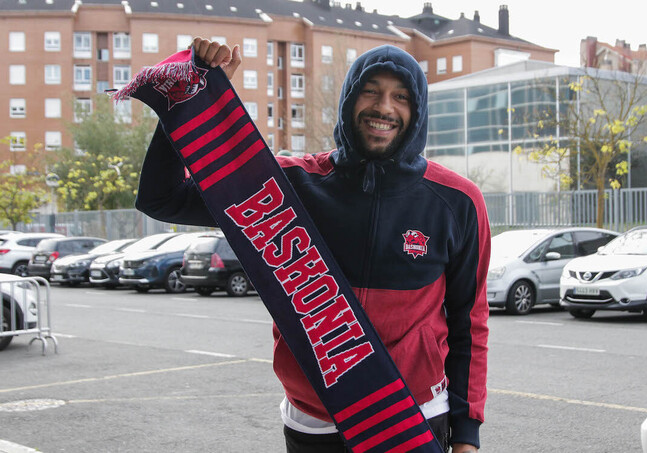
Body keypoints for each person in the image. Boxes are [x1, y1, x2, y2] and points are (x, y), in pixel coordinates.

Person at [135, 38, 491, 453]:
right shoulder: (286, 185)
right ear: (348, 100)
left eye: (401, 97)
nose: (384, 107)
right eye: (370, 91)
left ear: (418, 110)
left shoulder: (458, 201)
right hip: (312, 423)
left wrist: (467, 435)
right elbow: (162, 198)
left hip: (412, 416)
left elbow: (470, 324)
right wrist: (192, 97)